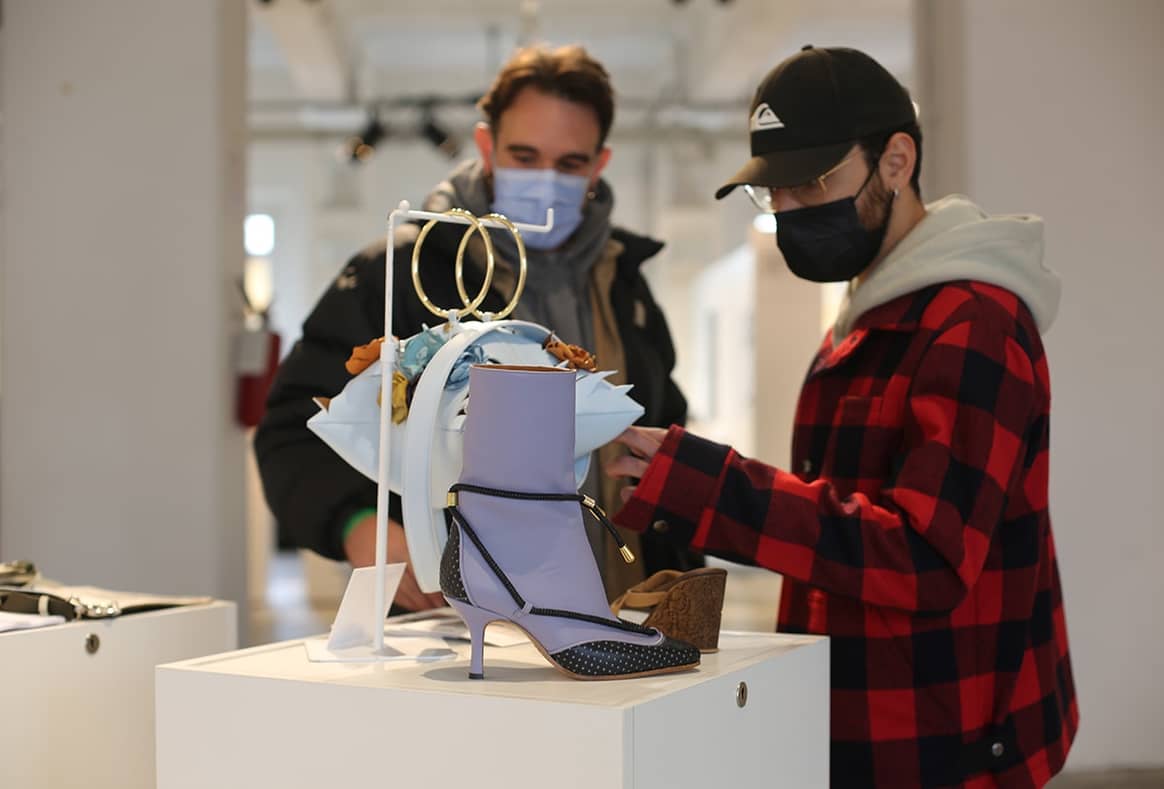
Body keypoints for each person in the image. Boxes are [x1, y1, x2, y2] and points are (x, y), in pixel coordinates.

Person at [607, 46, 1077, 788]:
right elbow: (842, 523)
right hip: (866, 721)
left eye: (814, 181)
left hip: (948, 741)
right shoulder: (870, 316)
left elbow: (928, 555)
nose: (790, 209)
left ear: (897, 159)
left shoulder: (971, 321)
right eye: (776, 191)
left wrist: (713, 486)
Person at [255, 44, 694, 613]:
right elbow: (293, 428)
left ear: (599, 164)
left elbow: (664, 428)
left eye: (568, 164)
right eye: (524, 155)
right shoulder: (401, 272)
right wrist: (362, 525)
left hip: (616, 608)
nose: (544, 180)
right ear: (486, 146)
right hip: (449, 619)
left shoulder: (624, 286)